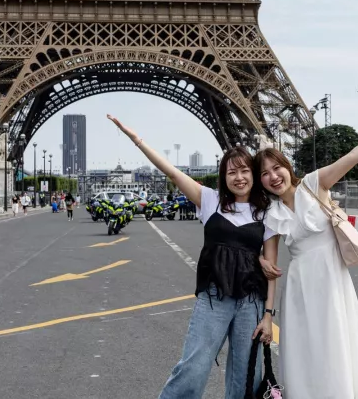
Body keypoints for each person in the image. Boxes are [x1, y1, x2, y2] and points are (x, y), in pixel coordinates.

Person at [256, 109, 358, 399]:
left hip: (331, 281)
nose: (273, 176)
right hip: (300, 290)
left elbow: (353, 156)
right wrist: (268, 316)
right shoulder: (272, 214)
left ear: (287, 166)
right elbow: (271, 269)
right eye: (265, 174)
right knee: (307, 353)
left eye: (276, 168)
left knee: (335, 347)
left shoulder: (312, 184)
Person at [107, 114, 273, 399]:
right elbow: (171, 172)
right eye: (231, 172)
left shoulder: (266, 211)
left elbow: (272, 268)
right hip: (214, 296)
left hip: (250, 301)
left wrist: (268, 315)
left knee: (248, 373)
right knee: (194, 365)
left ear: (254, 175)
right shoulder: (209, 200)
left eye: (244, 170)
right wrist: (137, 140)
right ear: (224, 177)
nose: (239, 177)